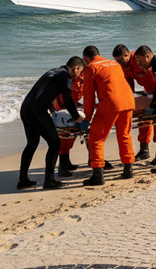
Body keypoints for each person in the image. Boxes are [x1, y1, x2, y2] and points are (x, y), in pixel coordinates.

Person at [18, 57, 86, 190]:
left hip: (26, 108)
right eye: (80, 71)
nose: (79, 75)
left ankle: (22, 180)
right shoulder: (66, 76)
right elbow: (67, 100)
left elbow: (44, 92)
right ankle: (49, 180)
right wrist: (78, 118)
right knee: (55, 143)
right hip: (37, 111)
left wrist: (53, 110)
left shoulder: (54, 71)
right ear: (76, 69)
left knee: (32, 143)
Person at [81, 46, 136, 186]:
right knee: (124, 135)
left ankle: (98, 176)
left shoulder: (91, 67)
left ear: (86, 59)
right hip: (128, 101)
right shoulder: (114, 64)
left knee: (96, 137)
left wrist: (87, 117)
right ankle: (128, 170)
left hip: (111, 103)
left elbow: (88, 96)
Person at [113, 44, 156, 164]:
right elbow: (128, 83)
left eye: (120, 60)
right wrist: (129, 99)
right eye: (117, 61)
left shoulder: (139, 61)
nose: (119, 63)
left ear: (126, 55)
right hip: (148, 91)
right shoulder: (126, 65)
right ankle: (144, 150)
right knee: (143, 119)